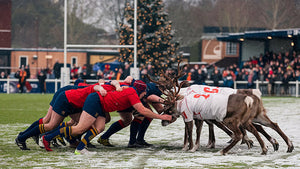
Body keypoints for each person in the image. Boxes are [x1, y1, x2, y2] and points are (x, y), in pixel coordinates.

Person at [41, 80, 172, 155]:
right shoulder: (132, 93)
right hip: (95, 101)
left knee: (100, 127)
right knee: (80, 128)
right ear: (140, 90)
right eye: (144, 92)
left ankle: (80, 148)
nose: (145, 94)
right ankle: (47, 137)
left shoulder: (131, 90)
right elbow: (143, 110)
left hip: (100, 104)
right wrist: (162, 116)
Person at [15, 80, 110, 150]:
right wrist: (102, 86)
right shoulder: (103, 89)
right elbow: (87, 83)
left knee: (81, 123)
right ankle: (22, 137)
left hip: (74, 102)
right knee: (49, 123)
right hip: (66, 97)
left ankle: (71, 139)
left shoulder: (107, 91)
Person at [98, 81, 164, 148]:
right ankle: (133, 141)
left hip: (128, 97)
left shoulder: (142, 88)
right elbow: (129, 79)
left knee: (131, 119)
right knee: (135, 117)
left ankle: (137, 140)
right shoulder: (150, 89)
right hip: (125, 98)